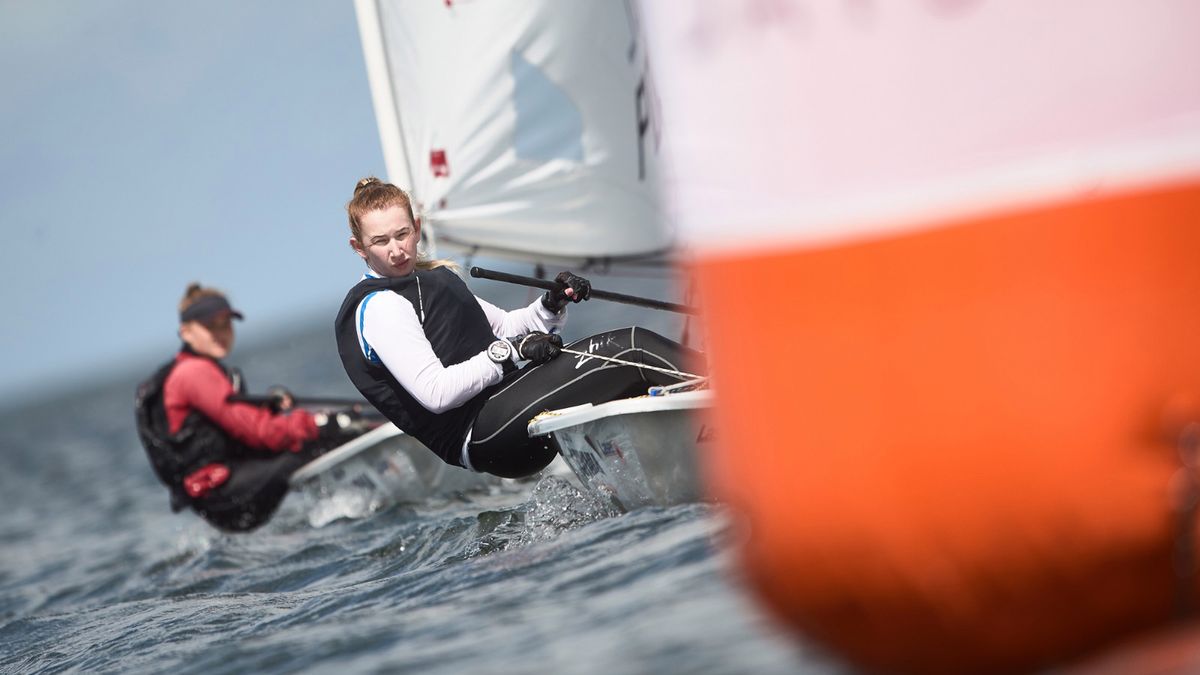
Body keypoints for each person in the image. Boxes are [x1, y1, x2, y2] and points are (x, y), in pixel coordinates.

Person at [334, 177, 703, 478]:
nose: (396, 250)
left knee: (627, 371)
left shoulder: (431, 281)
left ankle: (685, 449)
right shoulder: (381, 307)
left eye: (402, 234)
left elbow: (509, 326)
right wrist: (512, 352)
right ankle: (741, 401)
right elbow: (436, 392)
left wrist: (552, 301)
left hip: (507, 407)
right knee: (630, 348)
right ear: (359, 247)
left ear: (416, 228)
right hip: (481, 433)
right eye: (380, 242)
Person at [135, 283, 355, 532]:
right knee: (322, 440)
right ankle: (358, 506)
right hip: (223, 493)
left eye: (226, 324)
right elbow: (261, 433)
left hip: (219, 494)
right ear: (186, 332)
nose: (221, 332)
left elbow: (242, 425)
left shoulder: (193, 369)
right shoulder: (194, 373)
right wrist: (316, 424)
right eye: (210, 326)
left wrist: (273, 411)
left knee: (316, 438)